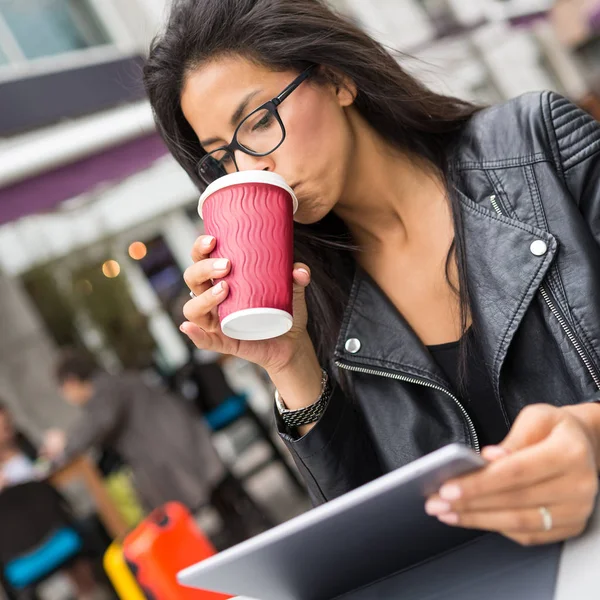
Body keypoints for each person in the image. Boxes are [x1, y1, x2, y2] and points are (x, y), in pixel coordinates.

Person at [143, 0, 600, 547]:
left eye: (260, 121)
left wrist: (590, 439)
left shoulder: (537, 150)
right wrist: (289, 364)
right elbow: (373, 546)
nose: (250, 168)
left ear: (337, 78)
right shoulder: (306, 295)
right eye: (222, 157)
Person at [43, 350, 272, 547]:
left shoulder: (104, 391)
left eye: (65, 392)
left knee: (207, 487)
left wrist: (64, 446)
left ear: (72, 382)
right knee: (215, 485)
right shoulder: (111, 382)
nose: (69, 398)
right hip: (175, 435)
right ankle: (249, 526)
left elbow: (99, 424)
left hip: (169, 443)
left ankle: (248, 527)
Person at [0, 405, 104, 600]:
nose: (8, 428)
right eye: (3, 426)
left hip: (56, 531)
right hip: (20, 551)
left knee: (81, 552)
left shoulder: (25, 446)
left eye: (8, 424)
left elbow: (46, 470)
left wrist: (52, 452)